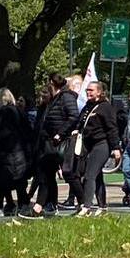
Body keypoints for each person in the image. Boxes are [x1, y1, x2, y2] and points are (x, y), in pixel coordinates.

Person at [72, 80, 123, 217]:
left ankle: (86, 206)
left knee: (89, 175)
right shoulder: (88, 106)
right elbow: (80, 122)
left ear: (99, 92)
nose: (88, 92)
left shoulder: (105, 107)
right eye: (87, 90)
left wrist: (116, 148)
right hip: (88, 145)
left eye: (91, 90)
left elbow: (112, 128)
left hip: (102, 144)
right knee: (97, 176)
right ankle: (102, 206)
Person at [33, 74, 80, 218]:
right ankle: (40, 207)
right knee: (46, 173)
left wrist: (60, 133)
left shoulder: (66, 97)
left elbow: (73, 116)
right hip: (51, 142)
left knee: (69, 174)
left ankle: (84, 203)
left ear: (52, 83)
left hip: (62, 142)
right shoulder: (54, 99)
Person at [0, 88, 34, 216]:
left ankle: (11, 205)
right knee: (18, 181)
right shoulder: (18, 111)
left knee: (6, 179)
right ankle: (19, 204)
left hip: (10, 151)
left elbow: (7, 130)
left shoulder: (5, 111)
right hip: (19, 150)